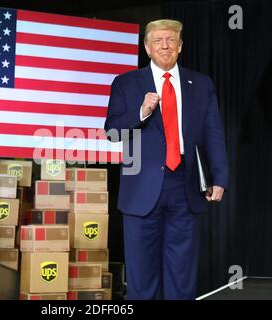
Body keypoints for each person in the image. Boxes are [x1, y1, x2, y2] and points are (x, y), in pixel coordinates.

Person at [104, 19, 228, 300]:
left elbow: (214, 134)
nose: (165, 45)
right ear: (147, 47)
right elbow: (112, 133)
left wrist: (219, 177)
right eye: (158, 40)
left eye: (171, 40)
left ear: (180, 46)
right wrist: (141, 112)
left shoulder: (202, 84)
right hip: (141, 189)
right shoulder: (126, 83)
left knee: (182, 274)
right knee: (142, 277)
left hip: (185, 185)